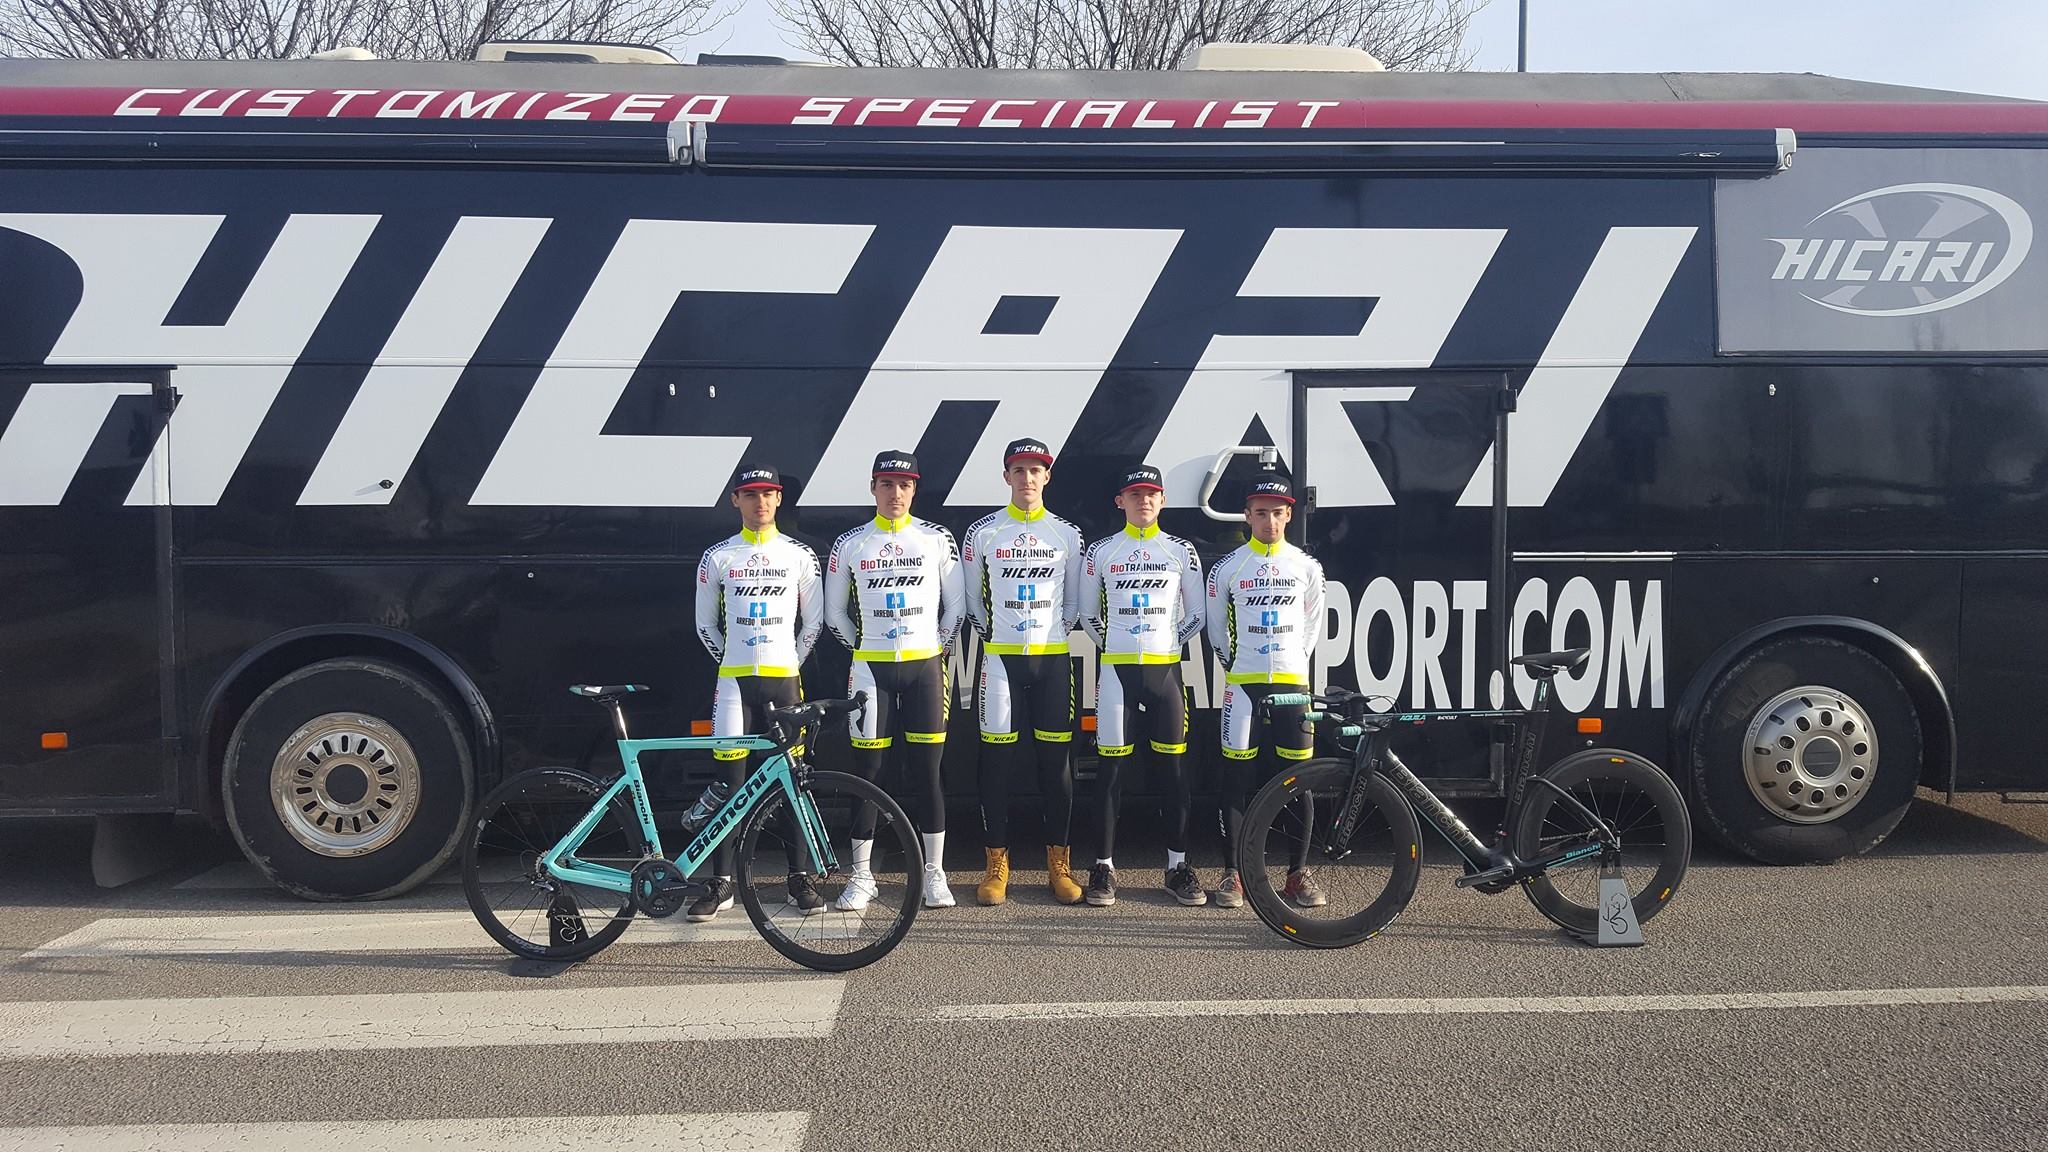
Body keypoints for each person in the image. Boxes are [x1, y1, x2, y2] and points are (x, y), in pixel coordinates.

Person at [824, 450, 966, 909]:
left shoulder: (935, 538)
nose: (896, 493)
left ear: (915, 489)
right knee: (866, 773)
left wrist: (936, 646)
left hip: (926, 669)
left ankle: (934, 874)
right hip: (871, 670)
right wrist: (864, 648)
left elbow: (956, 607)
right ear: (873, 488)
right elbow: (833, 613)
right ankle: (861, 876)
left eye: (904, 485)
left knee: (929, 772)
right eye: (887, 484)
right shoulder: (851, 543)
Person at [690, 463, 825, 922]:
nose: (760, 501)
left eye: (768, 493)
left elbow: (814, 623)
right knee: (730, 784)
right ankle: (721, 881)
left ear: (779, 499)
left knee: (792, 781)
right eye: (750, 494)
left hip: (785, 681)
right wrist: (729, 662)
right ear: (736, 500)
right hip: (733, 683)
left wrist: (790, 663)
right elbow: (705, 625)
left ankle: (799, 878)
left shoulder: (799, 555)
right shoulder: (718, 556)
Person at [962, 437, 1086, 906]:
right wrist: (997, 636)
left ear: (1047, 476)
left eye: (1036, 470)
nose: (1028, 478)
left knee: (1057, 767)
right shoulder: (984, 533)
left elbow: (1073, 603)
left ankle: (1059, 865)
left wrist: (1051, 634)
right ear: (1006, 477)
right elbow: (973, 601)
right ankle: (996, 865)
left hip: (1053, 661)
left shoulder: (1067, 534)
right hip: (1000, 661)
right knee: (996, 766)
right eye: (1019, 470)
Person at [1079, 464, 1206, 908]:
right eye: (1135, 494)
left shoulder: (1181, 550)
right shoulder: (1101, 551)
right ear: (1121, 502)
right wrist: (1116, 644)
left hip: (1166, 672)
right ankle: (1103, 866)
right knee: (1110, 773)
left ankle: (1177, 866)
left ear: (1163, 500)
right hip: (1116, 673)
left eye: (1152, 494)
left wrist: (1167, 643)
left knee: (1174, 772)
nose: (1144, 500)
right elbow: (1087, 614)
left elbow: (1197, 615)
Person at [1205, 474, 1327, 910]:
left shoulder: (1307, 567)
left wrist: (1292, 663)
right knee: (1235, 781)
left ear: (1289, 515)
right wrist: (1238, 667)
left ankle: (1297, 873)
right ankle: (1233, 873)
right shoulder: (1228, 567)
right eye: (1261, 513)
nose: (1269, 521)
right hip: (1243, 684)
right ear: (1247, 516)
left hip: (1294, 684)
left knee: (1299, 779)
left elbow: (1311, 627)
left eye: (1277, 513)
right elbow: (1216, 631)